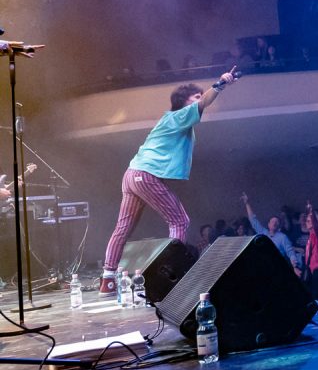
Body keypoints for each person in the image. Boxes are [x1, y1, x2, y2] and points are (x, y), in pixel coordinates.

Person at [99, 68, 238, 296]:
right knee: (180, 221)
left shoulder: (172, 120)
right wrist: (220, 83)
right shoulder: (179, 116)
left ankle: (108, 280)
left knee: (123, 228)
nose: (199, 100)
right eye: (195, 96)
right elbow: (203, 103)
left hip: (132, 174)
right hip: (145, 175)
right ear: (184, 102)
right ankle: (173, 276)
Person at [241, 192, 297, 270]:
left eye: (277, 222)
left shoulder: (282, 237)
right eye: (272, 221)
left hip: (276, 266)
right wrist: (247, 203)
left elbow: (290, 252)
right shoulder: (263, 233)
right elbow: (253, 220)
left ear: (279, 226)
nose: (274, 223)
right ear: (268, 224)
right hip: (262, 265)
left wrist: (294, 265)